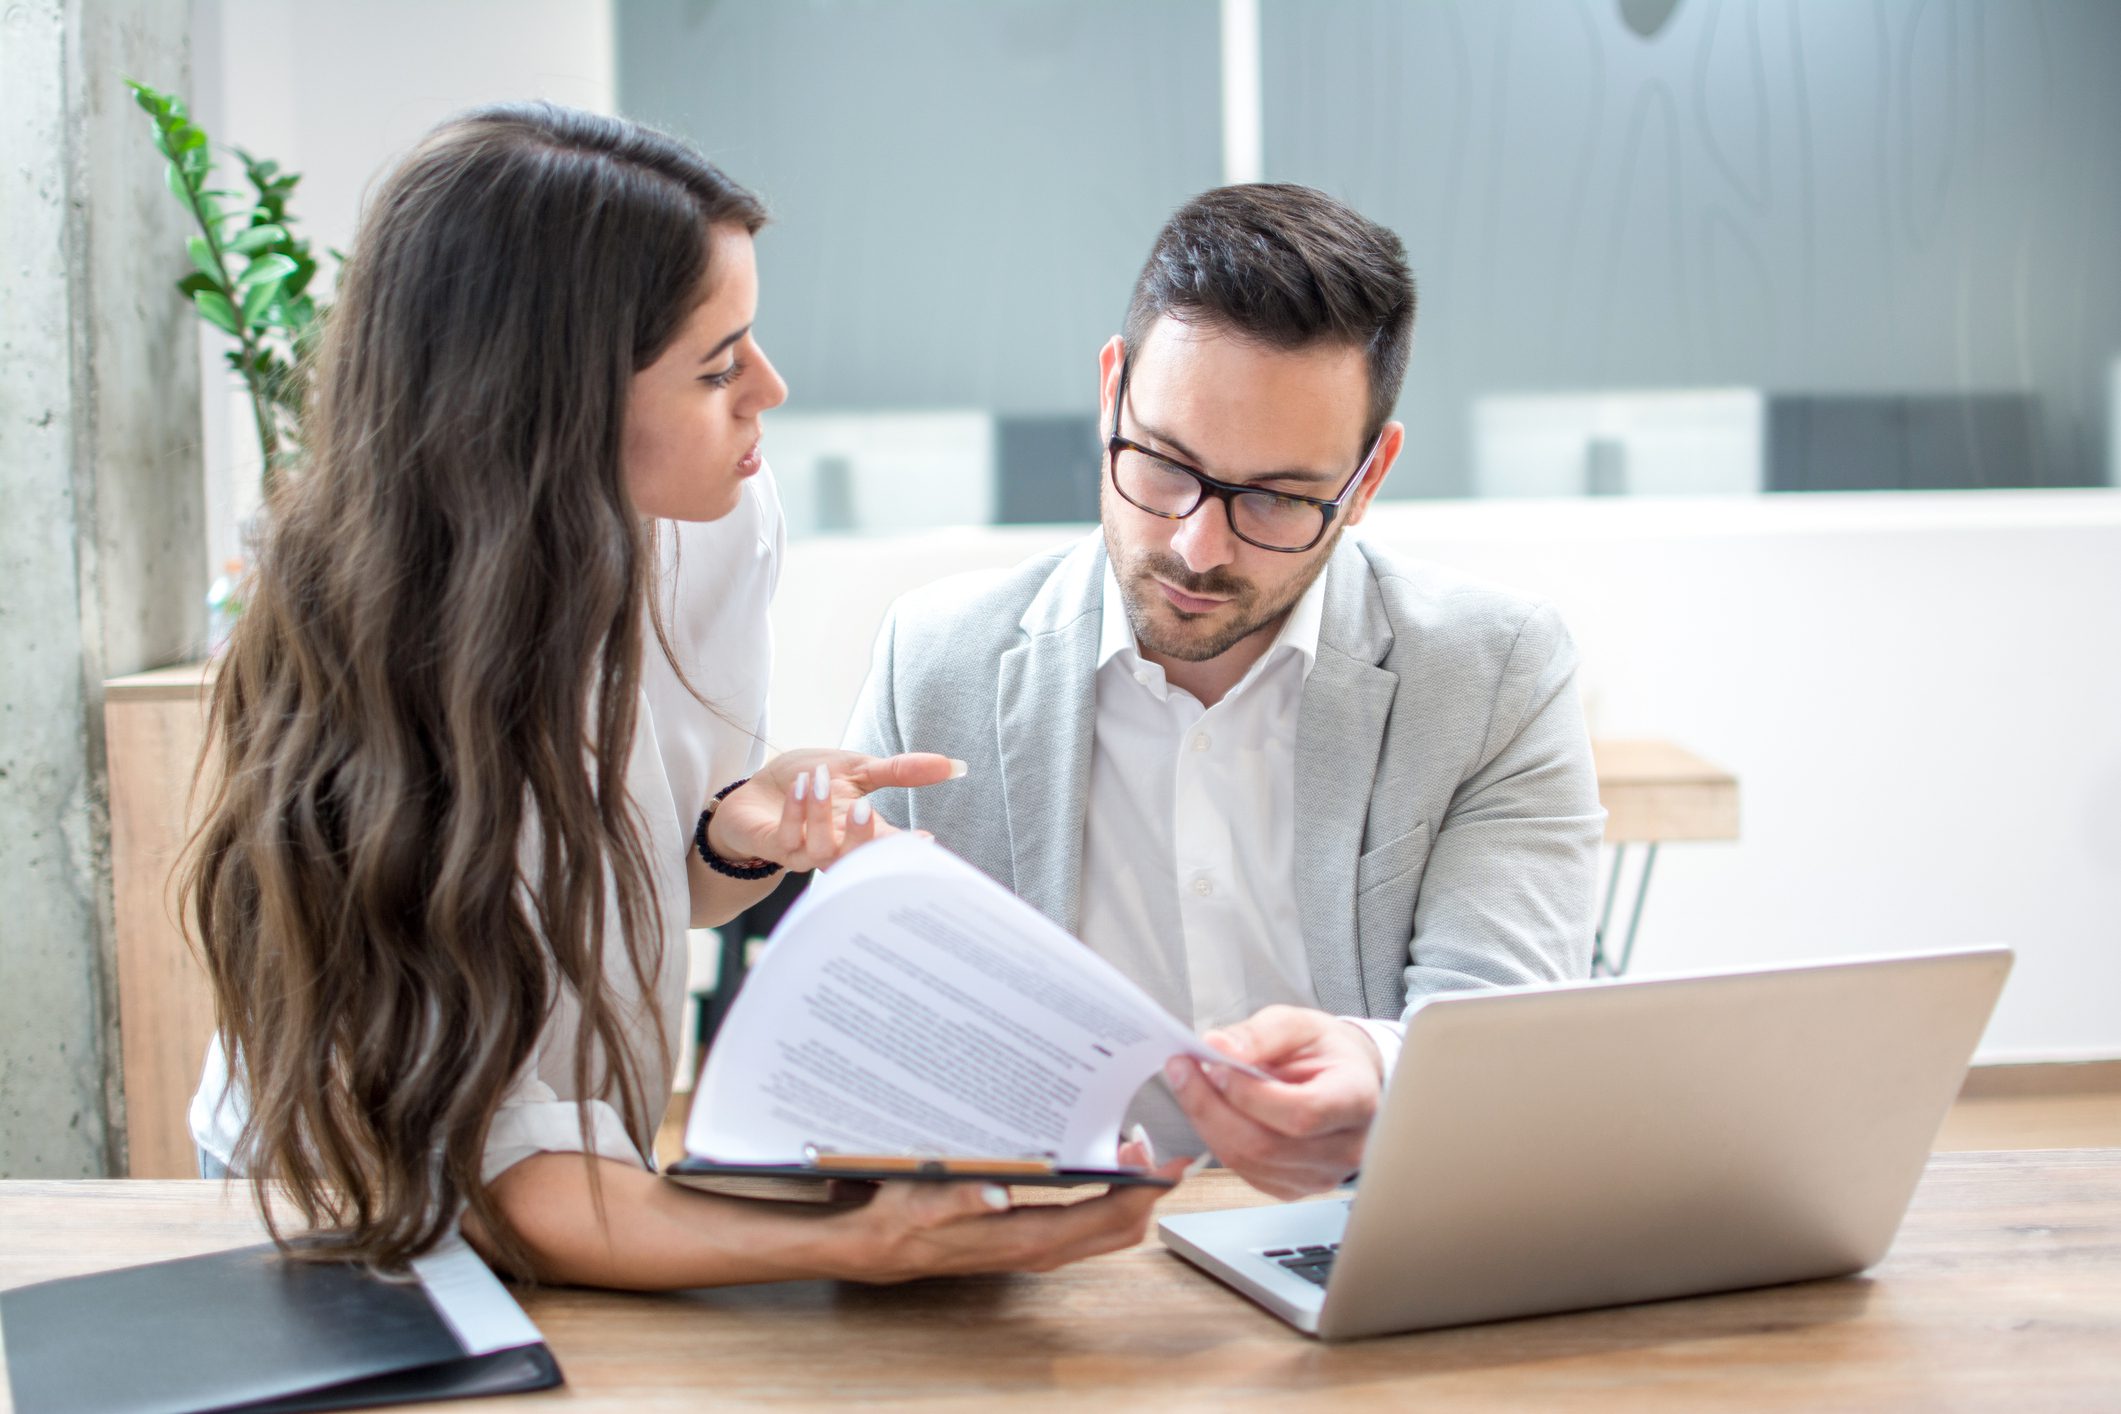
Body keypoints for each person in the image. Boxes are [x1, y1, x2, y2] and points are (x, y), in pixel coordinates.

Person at [185, 102, 1182, 1289]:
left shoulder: (710, 526)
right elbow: (495, 1163)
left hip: (586, 1177)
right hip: (359, 1204)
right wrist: (853, 1245)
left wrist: (731, 835)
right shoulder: (362, 656)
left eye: (751, 340)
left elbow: (668, 896)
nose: (772, 387)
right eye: (718, 366)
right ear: (542, 411)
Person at [845, 184, 1605, 1199]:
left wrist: (1381, 1064)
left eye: (1279, 498)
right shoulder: (936, 662)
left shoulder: (1490, 673)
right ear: (1113, 394)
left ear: (1369, 477)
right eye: (1164, 465)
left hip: (1359, 1245)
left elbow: (1507, 1035)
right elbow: (863, 1045)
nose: (1198, 548)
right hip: (1034, 1272)